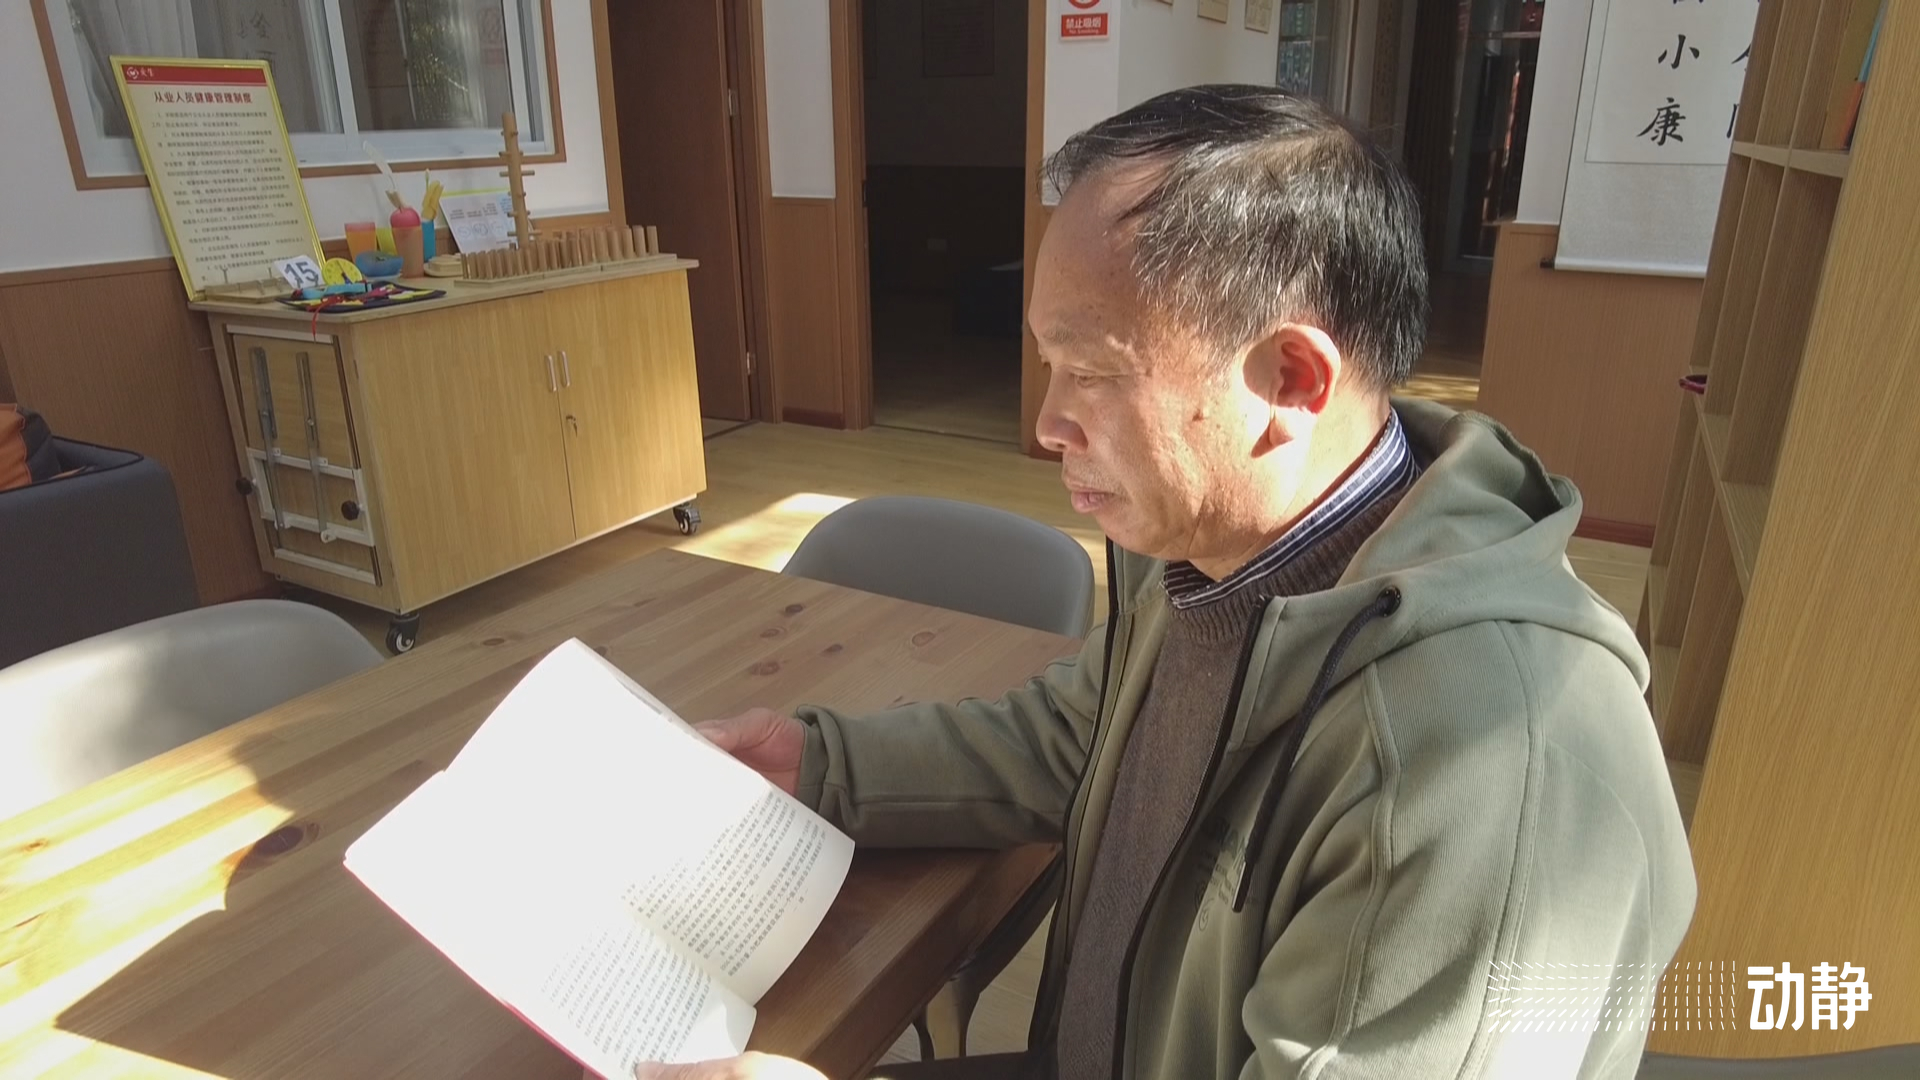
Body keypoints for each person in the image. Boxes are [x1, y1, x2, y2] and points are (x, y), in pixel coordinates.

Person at [633, 85, 1696, 1080]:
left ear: (1291, 381)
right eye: (1048, 365)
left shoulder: (1485, 778)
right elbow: (1079, 733)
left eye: (1093, 372)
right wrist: (820, 766)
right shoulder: (1220, 551)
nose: (1049, 424)